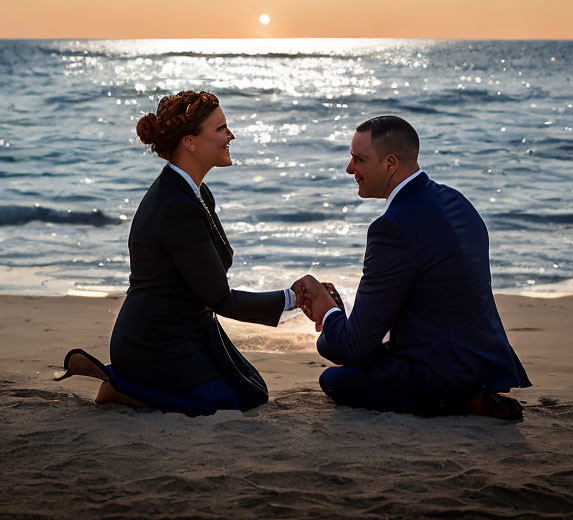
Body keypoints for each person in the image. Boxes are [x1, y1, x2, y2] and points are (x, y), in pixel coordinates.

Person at [56, 91, 302, 415]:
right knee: (225, 404)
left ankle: (131, 382)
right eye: (221, 129)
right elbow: (221, 299)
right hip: (152, 342)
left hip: (189, 331)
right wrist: (294, 298)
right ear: (190, 142)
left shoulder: (195, 191)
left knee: (253, 391)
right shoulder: (175, 206)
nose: (231, 136)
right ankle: (121, 386)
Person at [294, 115, 531, 419]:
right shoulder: (456, 201)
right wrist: (337, 314)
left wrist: (327, 312)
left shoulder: (391, 228)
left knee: (334, 377)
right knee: (344, 346)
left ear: (390, 163)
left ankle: (459, 402)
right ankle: (471, 394)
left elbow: (355, 349)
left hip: (442, 371)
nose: (349, 168)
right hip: (483, 360)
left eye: (359, 159)